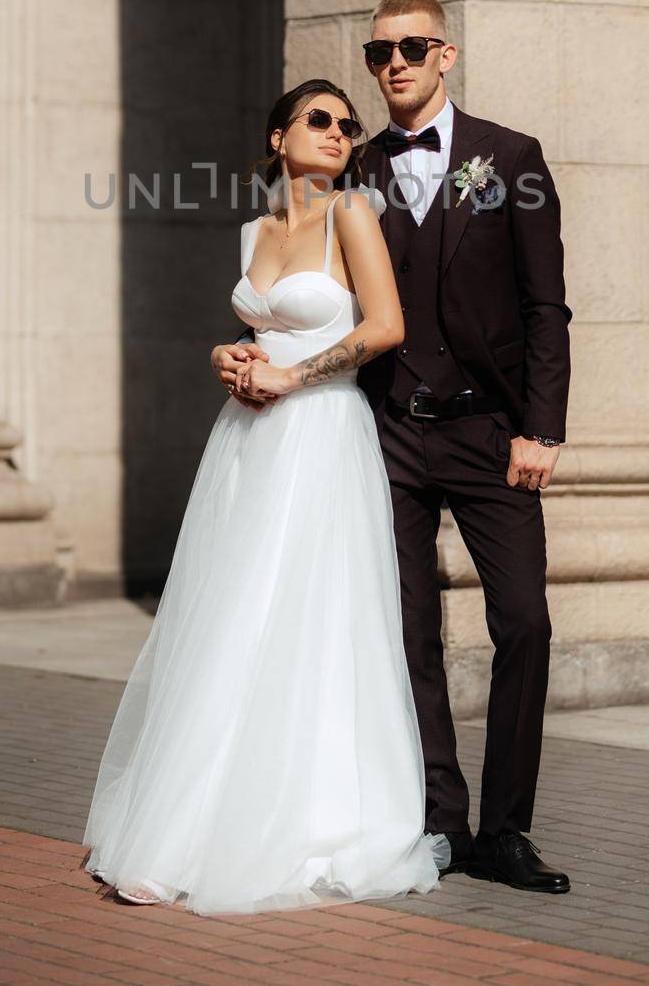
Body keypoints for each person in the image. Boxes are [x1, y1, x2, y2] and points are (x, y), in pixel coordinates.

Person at [214, 0, 572, 894]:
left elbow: (545, 309)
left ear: (445, 54)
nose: (396, 65)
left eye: (413, 48)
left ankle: (508, 828)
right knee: (407, 633)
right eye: (380, 54)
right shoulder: (353, 168)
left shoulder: (511, 158)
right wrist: (253, 353)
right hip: (386, 437)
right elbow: (303, 280)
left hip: (493, 436)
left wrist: (541, 427)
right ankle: (441, 822)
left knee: (524, 620)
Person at [81, 78, 450, 915]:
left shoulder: (353, 213)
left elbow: (384, 326)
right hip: (249, 440)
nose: (338, 132)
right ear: (278, 137)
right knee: (230, 618)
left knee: (305, 619)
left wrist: (293, 374)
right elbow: (264, 328)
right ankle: (191, 825)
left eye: (348, 125)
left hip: (321, 433)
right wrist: (234, 357)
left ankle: (307, 822)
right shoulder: (257, 228)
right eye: (318, 119)